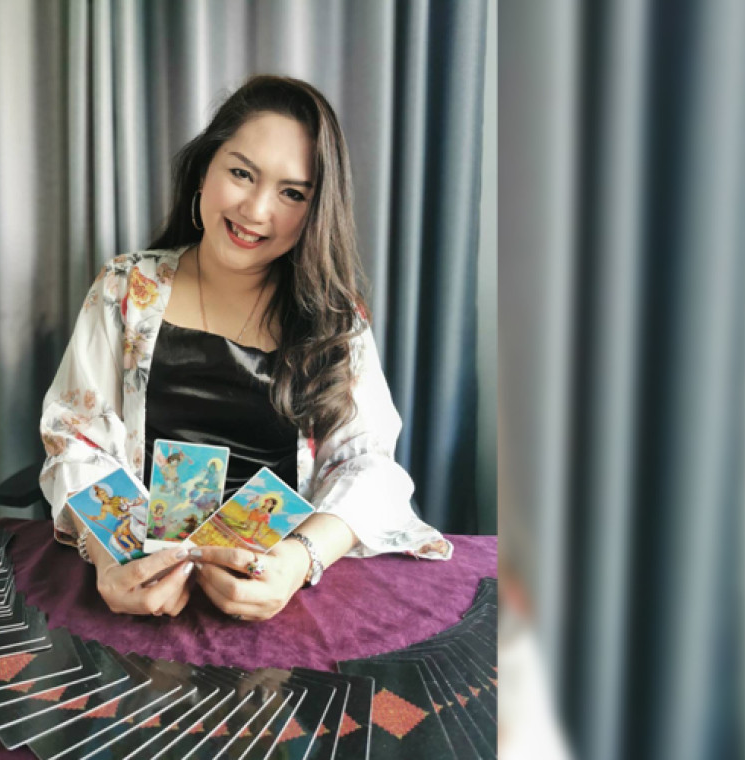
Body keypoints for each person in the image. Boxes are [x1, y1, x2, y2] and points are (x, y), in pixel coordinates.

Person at [39, 75, 452, 620]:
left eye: (292, 193)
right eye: (241, 173)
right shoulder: (126, 287)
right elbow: (76, 442)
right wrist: (110, 559)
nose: (256, 210)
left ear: (316, 210)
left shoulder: (334, 319)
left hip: (278, 591)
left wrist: (299, 560)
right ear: (204, 170)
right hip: (144, 577)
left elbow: (369, 465)